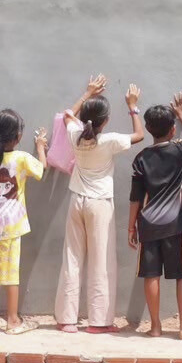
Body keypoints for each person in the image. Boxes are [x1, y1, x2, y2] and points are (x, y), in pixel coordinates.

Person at [56, 74, 144, 334]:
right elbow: (139, 134)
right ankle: (99, 321)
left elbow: (66, 117)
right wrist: (133, 106)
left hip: (77, 200)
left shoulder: (75, 135)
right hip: (100, 204)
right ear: (105, 121)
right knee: (101, 260)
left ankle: (67, 319)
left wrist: (87, 93)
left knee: (72, 257)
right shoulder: (108, 140)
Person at [128, 94, 182, 338]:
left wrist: (131, 228)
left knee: (151, 274)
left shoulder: (141, 159)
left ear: (148, 129)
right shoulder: (180, 149)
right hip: (174, 225)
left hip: (147, 225)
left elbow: (135, 197)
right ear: (172, 130)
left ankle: (156, 327)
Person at [0, 109, 48, 333]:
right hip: (10, 228)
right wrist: (41, 147)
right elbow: (42, 169)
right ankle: (13, 320)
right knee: (10, 272)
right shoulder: (22, 158)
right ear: (19, 136)